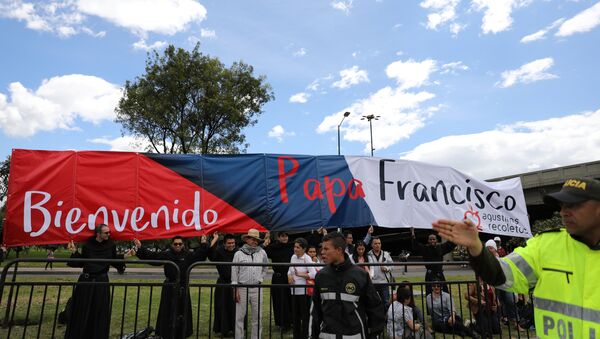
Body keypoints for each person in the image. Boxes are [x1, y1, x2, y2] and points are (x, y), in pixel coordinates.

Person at [432, 177, 600, 339]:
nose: (563, 212)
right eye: (562, 205)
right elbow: (502, 274)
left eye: (573, 205)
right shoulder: (545, 245)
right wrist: (477, 247)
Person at [310, 231, 385, 339]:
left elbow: (375, 308)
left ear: (339, 250)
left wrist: (373, 333)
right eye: (322, 249)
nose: (322, 252)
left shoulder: (361, 275)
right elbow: (315, 312)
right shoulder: (321, 276)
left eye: (326, 249)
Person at [133, 235, 209, 339]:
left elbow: (200, 256)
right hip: (169, 287)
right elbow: (153, 257)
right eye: (175, 244)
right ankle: (167, 333)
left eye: (180, 244)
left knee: (183, 311)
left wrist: (204, 243)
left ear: (183, 245)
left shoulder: (188, 255)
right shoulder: (167, 254)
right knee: (167, 311)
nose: (178, 245)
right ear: (172, 245)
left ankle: (182, 333)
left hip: (182, 287)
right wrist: (140, 247)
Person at [65, 224, 132, 339]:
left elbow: (113, 259)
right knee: (82, 310)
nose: (109, 234)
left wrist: (124, 257)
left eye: (109, 232)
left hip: (101, 282)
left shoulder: (111, 245)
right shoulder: (88, 245)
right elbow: (82, 262)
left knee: (100, 312)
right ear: (98, 234)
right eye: (106, 233)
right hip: (86, 281)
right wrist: (74, 252)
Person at [232, 228, 269, 339]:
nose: (254, 241)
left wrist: (260, 279)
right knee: (239, 317)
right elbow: (234, 271)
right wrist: (235, 288)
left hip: (257, 288)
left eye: (256, 239)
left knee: (257, 317)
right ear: (247, 239)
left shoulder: (262, 252)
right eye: (252, 239)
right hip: (242, 288)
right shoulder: (238, 254)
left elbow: (265, 267)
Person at [207, 232, 238, 336]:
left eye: (233, 243)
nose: (231, 245)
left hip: (236, 283)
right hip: (223, 284)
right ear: (224, 244)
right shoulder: (219, 251)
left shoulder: (238, 252)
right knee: (222, 306)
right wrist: (215, 239)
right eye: (229, 243)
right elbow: (211, 255)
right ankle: (223, 329)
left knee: (235, 307)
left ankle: (235, 329)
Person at [262, 231, 293, 330]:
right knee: (279, 300)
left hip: (290, 277)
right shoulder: (273, 247)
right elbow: (262, 253)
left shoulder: (291, 247)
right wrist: (265, 240)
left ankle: (291, 321)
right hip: (278, 278)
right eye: (282, 236)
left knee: (290, 300)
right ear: (278, 237)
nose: (285, 238)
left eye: (286, 236)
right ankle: (281, 323)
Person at [411, 228, 456, 294]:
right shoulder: (425, 249)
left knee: (444, 292)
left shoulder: (441, 248)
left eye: (433, 239)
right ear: (428, 241)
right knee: (429, 292)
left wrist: (453, 233)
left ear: (436, 240)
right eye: (430, 239)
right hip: (430, 275)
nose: (432, 240)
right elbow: (416, 246)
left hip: (439, 274)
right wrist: (413, 234)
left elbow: (450, 245)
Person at [287, 237, 317, 339]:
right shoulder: (292, 257)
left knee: (305, 316)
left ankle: (305, 335)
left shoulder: (307, 258)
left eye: (298, 247)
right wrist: (289, 276)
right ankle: (296, 335)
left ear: (304, 249)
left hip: (304, 292)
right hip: (293, 291)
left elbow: (313, 274)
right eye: (295, 247)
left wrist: (300, 274)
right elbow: (290, 270)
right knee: (295, 316)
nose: (295, 249)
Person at [367, 236, 394, 308]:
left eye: (379, 243)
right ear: (372, 245)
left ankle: (386, 318)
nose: (377, 245)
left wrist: (386, 268)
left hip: (384, 282)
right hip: (372, 283)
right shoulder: (368, 255)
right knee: (372, 303)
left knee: (386, 303)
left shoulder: (386, 254)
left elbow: (392, 266)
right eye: (375, 243)